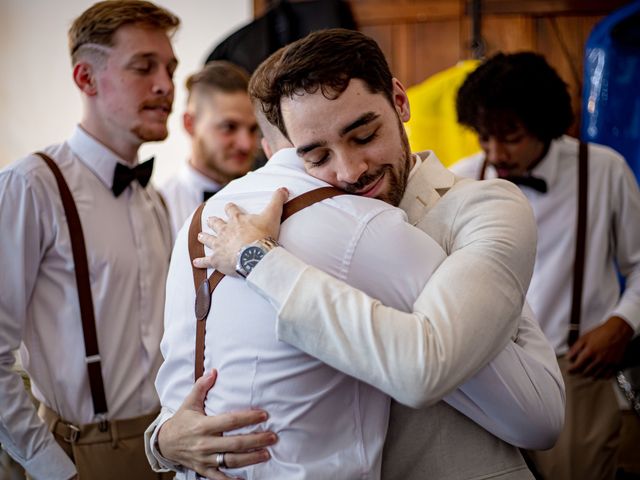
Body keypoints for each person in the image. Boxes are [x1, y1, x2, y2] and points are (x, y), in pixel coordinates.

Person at [148, 29, 565, 480]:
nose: (350, 171)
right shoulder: (282, 221)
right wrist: (165, 439)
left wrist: (259, 262)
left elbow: (528, 415)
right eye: (317, 154)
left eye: (364, 136)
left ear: (400, 103)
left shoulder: (485, 207)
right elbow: (220, 363)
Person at [0, 2, 267, 479]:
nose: (165, 85)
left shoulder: (154, 201)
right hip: (77, 451)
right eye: (144, 68)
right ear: (86, 78)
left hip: (163, 443)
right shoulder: (31, 186)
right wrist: (54, 470)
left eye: (169, 68)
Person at [450, 52, 640, 480]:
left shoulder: (603, 170)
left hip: (574, 368)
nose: (495, 152)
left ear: (544, 124)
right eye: (484, 137)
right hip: (487, 371)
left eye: (511, 136)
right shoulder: (462, 179)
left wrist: (622, 323)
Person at [160, 61, 260, 237]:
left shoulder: (268, 198)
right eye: (229, 127)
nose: (246, 144)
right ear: (190, 124)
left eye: (253, 129)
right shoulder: (160, 207)